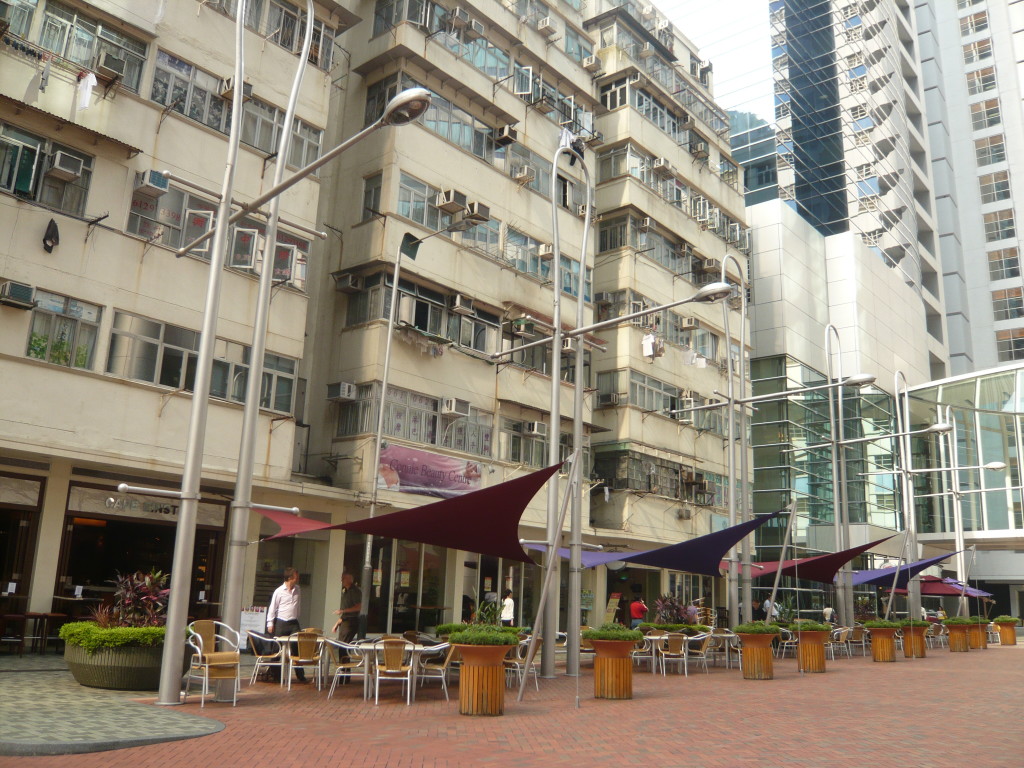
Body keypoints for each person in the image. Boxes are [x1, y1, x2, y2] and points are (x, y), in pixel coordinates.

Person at [267, 566, 305, 682]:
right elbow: (272, 607)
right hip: (281, 622)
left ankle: (300, 675)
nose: (297, 579)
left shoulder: (298, 589)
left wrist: (297, 616)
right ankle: (275, 675)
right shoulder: (279, 591)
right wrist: (270, 623)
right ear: (289, 578)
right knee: (277, 648)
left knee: (297, 647)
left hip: (293, 622)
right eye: (295, 577)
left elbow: (298, 605)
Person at [331, 572, 362, 642]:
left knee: (343, 644)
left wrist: (342, 611)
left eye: (343, 578)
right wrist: (337, 624)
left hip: (351, 621)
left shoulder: (355, 591)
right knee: (341, 643)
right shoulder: (345, 590)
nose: (341, 580)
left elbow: (359, 607)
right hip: (344, 621)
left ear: (350, 579)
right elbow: (345, 609)